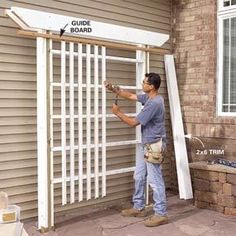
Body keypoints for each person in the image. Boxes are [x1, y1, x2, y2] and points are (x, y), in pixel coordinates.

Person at [104, 73, 168, 227]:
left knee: (155, 180)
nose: (142, 84)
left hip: (154, 145)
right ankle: (138, 207)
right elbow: (132, 96)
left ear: (151, 86)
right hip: (145, 143)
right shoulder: (150, 97)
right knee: (139, 176)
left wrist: (118, 113)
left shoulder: (154, 104)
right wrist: (114, 89)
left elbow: (133, 122)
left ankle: (161, 213)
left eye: (144, 83)